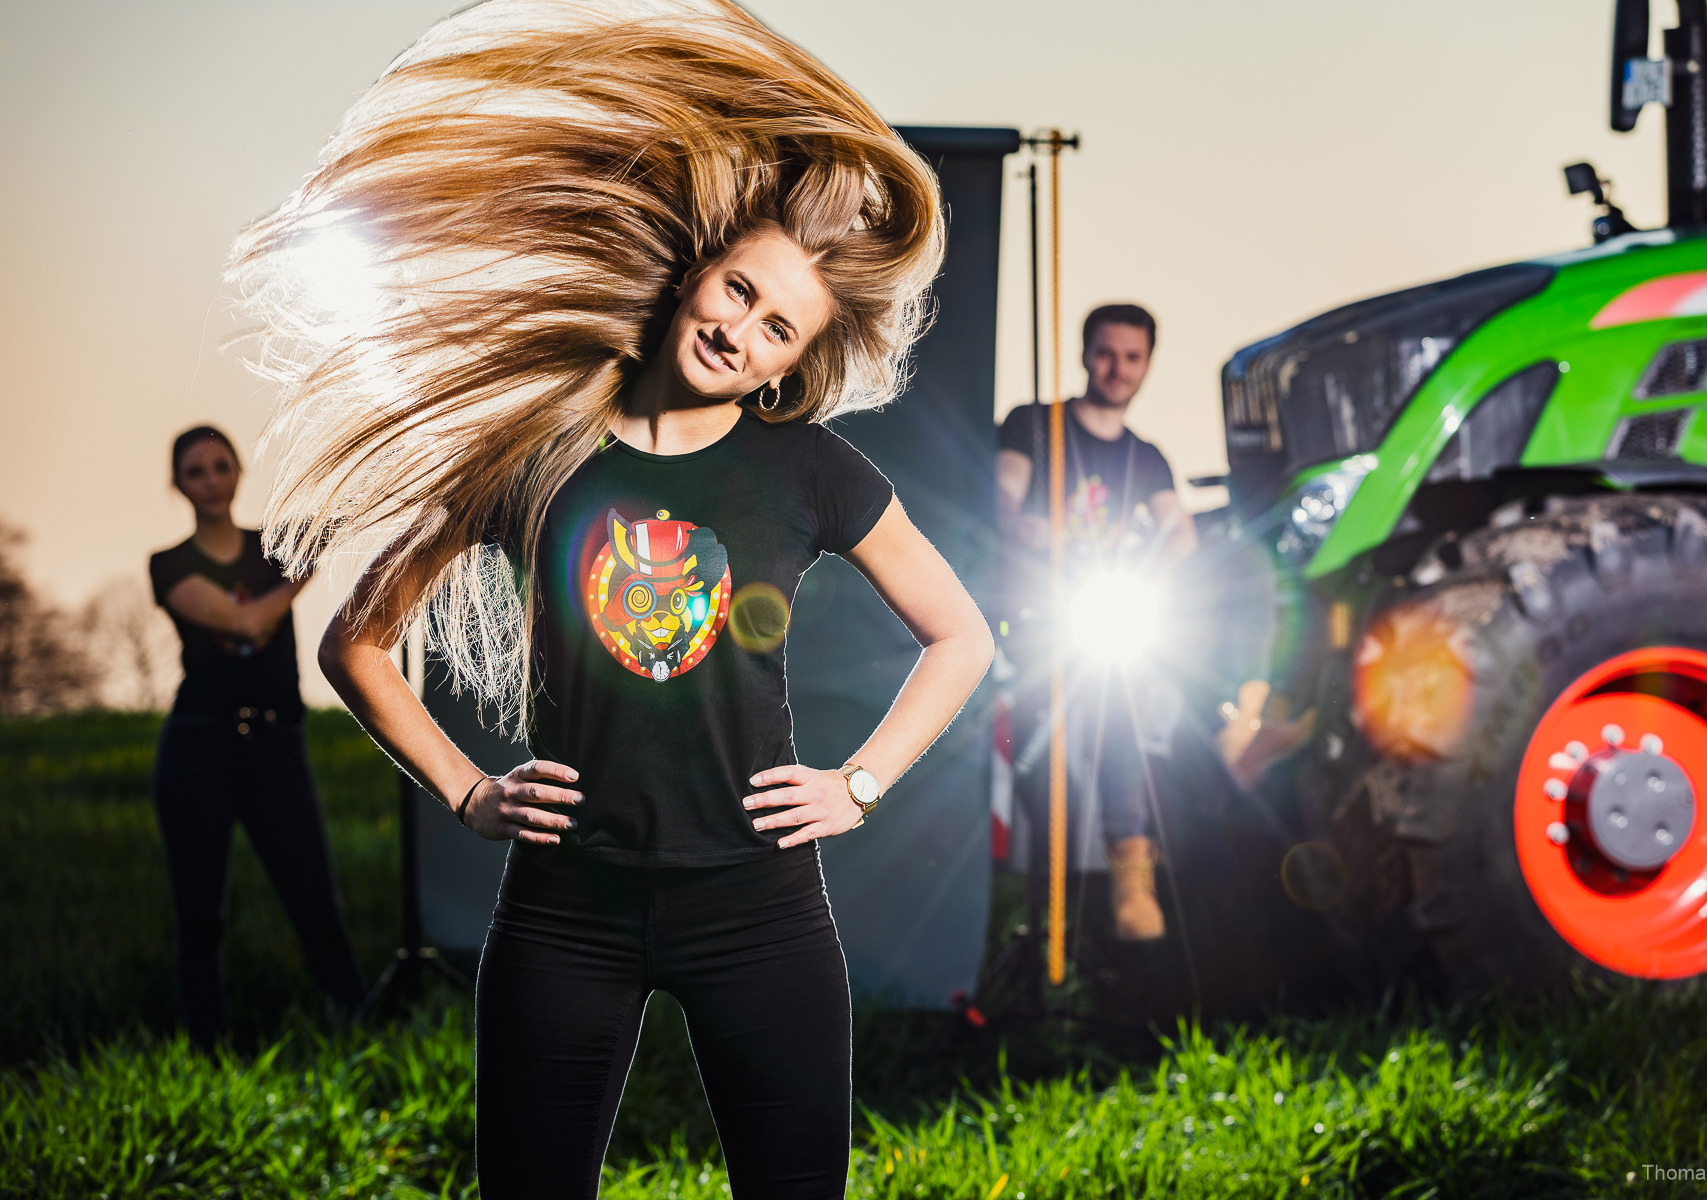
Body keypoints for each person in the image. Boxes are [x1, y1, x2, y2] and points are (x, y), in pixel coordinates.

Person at [227, 2, 991, 1197]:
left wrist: (859, 785)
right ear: (699, 272)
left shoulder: (810, 473)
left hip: (761, 912)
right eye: (739, 292)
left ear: (797, 363)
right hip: (564, 915)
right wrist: (470, 788)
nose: (742, 330)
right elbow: (358, 643)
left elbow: (961, 635)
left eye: (777, 327)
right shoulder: (541, 454)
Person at [148, 426, 365, 1048]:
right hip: (196, 751)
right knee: (200, 915)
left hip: (278, 747)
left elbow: (344, 507)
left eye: (221, 466)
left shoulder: (273, 543)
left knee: (315, 901)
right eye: (196, 471)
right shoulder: (170, 565)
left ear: (238, 472)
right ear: (178, 484)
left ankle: (360, 1028)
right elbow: (243, 620)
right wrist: (301, 571)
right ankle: (207, 1051)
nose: (211, 481)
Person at [996, 303, 1197, 941]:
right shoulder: (1036, 425)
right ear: (1086, 355)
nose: (1119, 369)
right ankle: (1045, 902)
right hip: (1039, 619)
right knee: (1043, 761)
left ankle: (1131, 887)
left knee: (1123, 733)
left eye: (1133, 358)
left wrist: (1151, 570)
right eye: (1108, 354)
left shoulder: (1147, 457)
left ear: (1147, 366)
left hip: (1107, 617)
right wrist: (1035, 531)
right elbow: (1002, 500)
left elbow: (1181, 535)